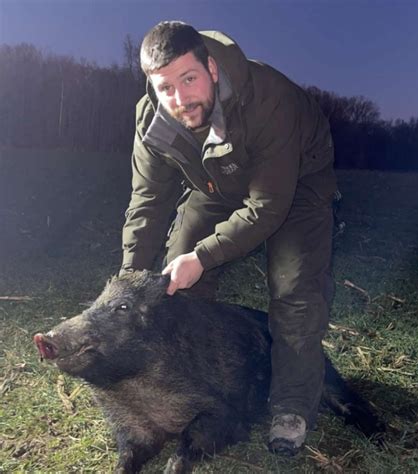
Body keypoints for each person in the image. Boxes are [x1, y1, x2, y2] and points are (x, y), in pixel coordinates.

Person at [120, 21, 337, 456]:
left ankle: (291, 405)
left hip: (295, 184)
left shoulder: (268, 100)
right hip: (215, 183)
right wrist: (128, 282)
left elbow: (267, 207)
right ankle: (191, 386)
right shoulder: (153, 121)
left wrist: (203, 256)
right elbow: (147, 204)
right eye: (166, 88)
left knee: (294, 288)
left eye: (189, 79)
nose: (180, 99)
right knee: (176, 280)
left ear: (212, 68)